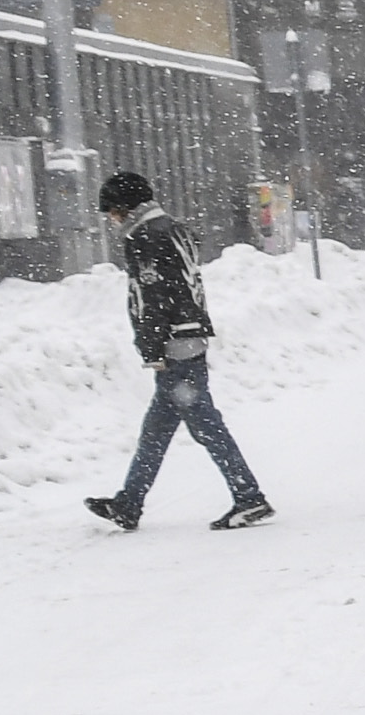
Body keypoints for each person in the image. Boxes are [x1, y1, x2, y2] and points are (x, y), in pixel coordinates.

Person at [84, 169, 273, 532]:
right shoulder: (173, 228)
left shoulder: (144, 237)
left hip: (175, 344)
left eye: (113, 211)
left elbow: (154, 296)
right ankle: (129, 503)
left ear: (126, 206)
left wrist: (152, 346)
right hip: (189, 335)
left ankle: (249, 497)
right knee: (156, 430)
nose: (111, 218)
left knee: (206, 426)